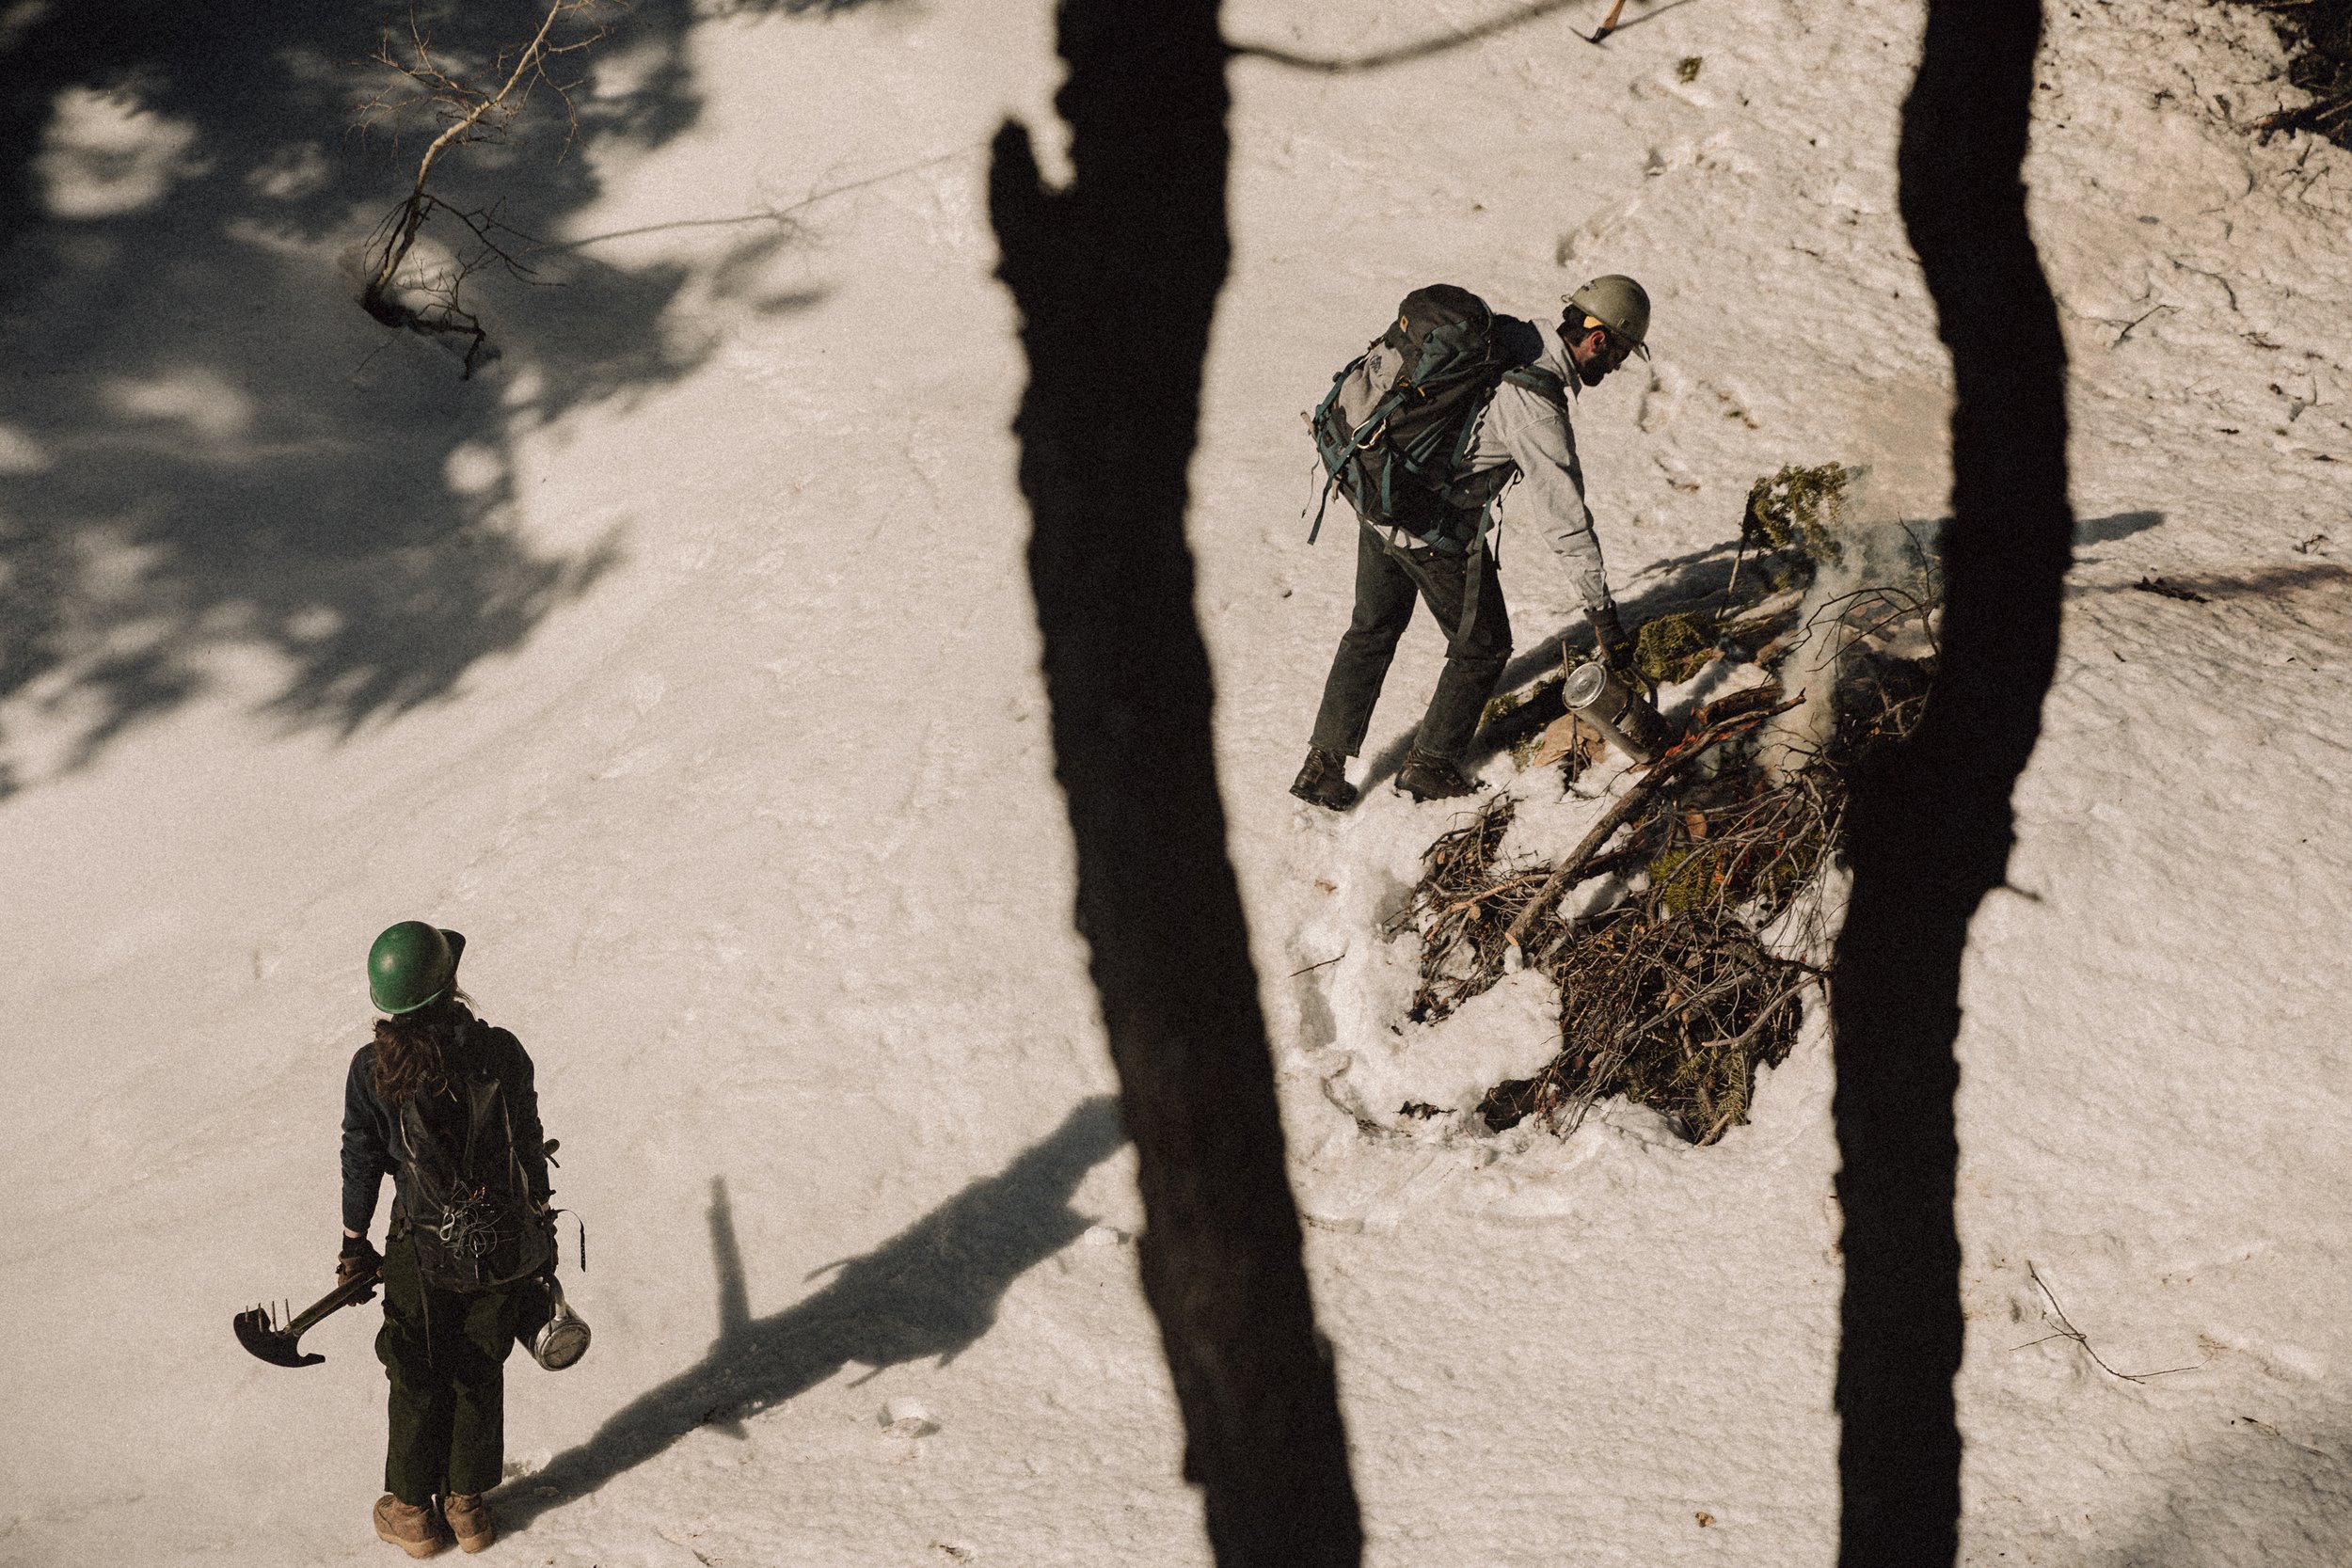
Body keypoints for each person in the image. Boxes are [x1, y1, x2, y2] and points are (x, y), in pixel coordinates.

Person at [1293, 275, 1651, 807]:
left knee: (1371, 629)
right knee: (1483, 648)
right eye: (1619, 353)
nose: (1617, 366)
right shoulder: (1537, 407)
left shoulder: (1508, 339)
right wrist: (1602, 613)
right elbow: (1564, 517)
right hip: (1430, 530)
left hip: (1380, 500)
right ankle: (1430, 764)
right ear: (1599, 340)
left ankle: (1322, 766)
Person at [339, 921, 553, 1558]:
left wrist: (354, 1244)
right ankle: (468, 1509)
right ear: (449, 981)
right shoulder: (502, 1051)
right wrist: (539, 1226)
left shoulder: (373, 1069)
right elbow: (530, 1141)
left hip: (421, 1247)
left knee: (415, 1368)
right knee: (479, 1363)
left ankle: (411, 1513)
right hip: (498, 1239)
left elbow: (361, 1159)